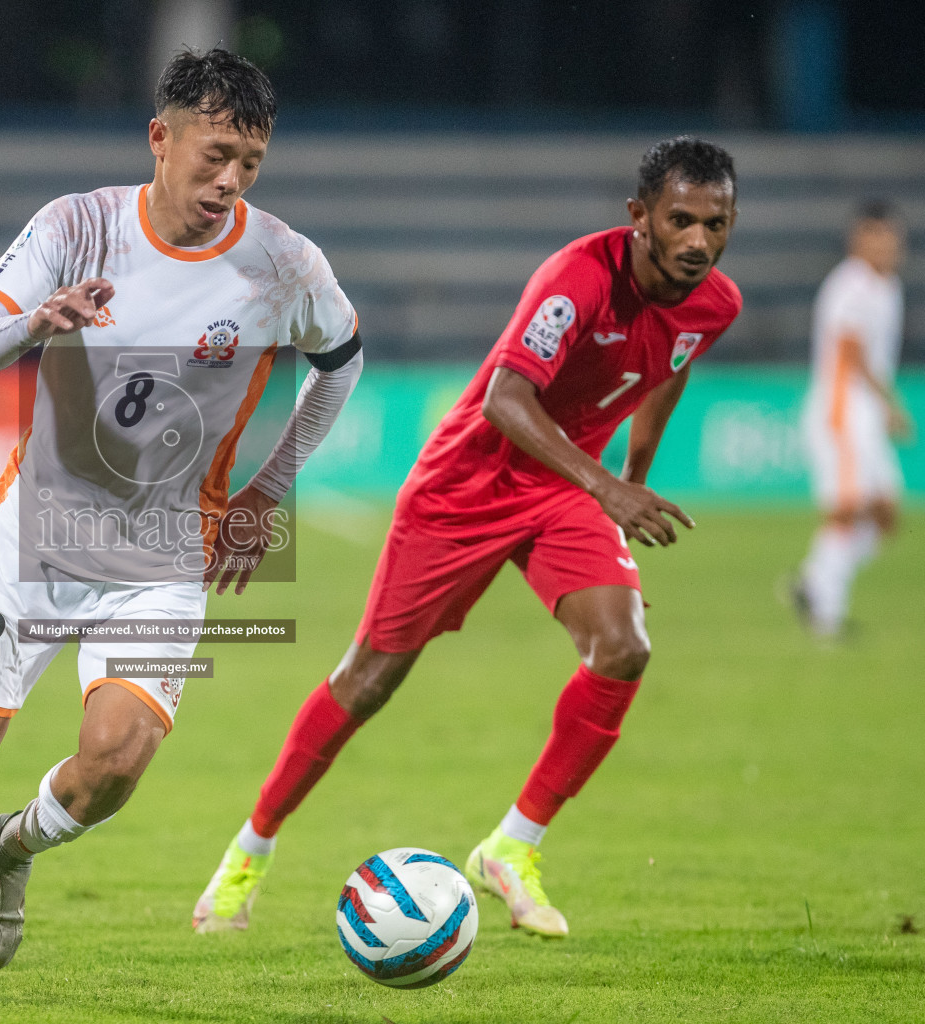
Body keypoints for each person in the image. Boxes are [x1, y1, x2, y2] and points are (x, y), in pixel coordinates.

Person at [0, 47, 364, 992]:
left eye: (251, 163)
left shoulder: (283, 264)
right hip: (40, 537)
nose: (230, 180)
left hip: (166, 555)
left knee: (114, 766)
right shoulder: (74, 227)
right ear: (161, 138)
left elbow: (342, 360)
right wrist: (40, 319)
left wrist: (268, 494)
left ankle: (13, 846)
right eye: (216, 153)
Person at [193, 136, 743, 941]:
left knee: (623, 647)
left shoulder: (715, 302)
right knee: (368, 681)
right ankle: (250, 851)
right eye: (682, 220)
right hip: (463, 489)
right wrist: (608, 487)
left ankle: (512, 847)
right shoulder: (578, 279)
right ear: (641, 218)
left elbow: (671, 364)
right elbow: (506, 404)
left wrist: (632, 476)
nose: (699, 241)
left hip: (563, 488)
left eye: (717, 224)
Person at [788, 201, 912, 641]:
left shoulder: (888, 286)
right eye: (879, 236)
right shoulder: (851, 284)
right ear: (860, 238)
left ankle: (812, 581)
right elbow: (850, 352)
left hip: (865, 416)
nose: (889, 246)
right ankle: (826, 612)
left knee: (884, 515)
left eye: (893, 237)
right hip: (840, 410)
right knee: (848, 511)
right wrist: (890, 403)